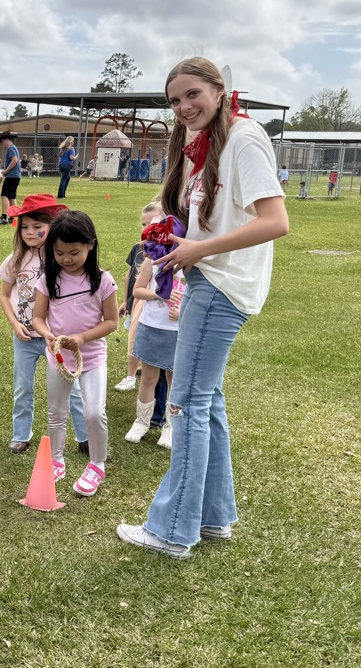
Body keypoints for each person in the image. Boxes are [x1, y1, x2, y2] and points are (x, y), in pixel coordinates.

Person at [116, 57, 289, 558]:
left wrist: (197, 250)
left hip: (220, 286)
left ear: (219, 90)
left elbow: (275, 221)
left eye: (193, 94)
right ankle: (213, 517)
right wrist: (173, 237)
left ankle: (172, 530)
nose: (184, 106)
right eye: (174, 100)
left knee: (186, 403)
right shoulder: (204, 146)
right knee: (207, 402)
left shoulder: (244, 137)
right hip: (207, 281)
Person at [31, 210, 118, 497]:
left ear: (90, 245)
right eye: (59, 253)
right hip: (57, 359)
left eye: (74, 252)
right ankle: (56, 460)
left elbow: (111, 321)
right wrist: (46, 334)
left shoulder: (103, 281)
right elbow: (38, 318)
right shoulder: (48, 280)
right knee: (56, 412)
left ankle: (97, 464)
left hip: (91, 360)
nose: (66, 259)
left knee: (94, 412)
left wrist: (81, 338)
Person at [0, 194, 88, 454]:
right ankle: (21, 434)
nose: (30, 232)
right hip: (24, 338)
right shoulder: (15, 259)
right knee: (22, 387)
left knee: (72, 389)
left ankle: (84, 437)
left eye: (38, 226)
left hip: (56, 340)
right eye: (24, 227)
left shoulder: (62, 260)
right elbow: (4, 295)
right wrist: (15, 324)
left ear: (52, 226)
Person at [124, 259, 185, 449]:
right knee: (148, 378)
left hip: (178, 330)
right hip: (152, 326)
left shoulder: (190, 261)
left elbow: (199, 295)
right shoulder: (153, 261)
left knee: (174, 379)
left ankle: (171, 425)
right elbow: (138, 290)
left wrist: (183, 311)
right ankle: (142, 422)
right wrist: (159, 294)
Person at [115, 203, 160, 391]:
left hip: (151, 304)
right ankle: (130, 376)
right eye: (143, 224)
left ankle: (149, 371)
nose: (147, 228)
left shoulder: (163, 251)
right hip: (135, 300)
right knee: (133, 338)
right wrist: (125, 300)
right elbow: (129, 274)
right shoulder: (137, 248)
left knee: (149, 339)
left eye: (152, 223)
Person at [0, 133, 21, 223]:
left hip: (11, 176)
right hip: (16, 176)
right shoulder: (14, 148)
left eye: (2, 142)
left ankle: (4, 217)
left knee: (4, 195)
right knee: (11, 197)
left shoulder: (11, 148)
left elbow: (14, 160)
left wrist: (6, 171)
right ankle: (14, 217)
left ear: (7, 140)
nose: (2, 145)